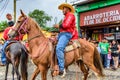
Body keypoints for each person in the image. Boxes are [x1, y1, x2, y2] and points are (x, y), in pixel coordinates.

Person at [53, 3, 78, 74]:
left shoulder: (70, 15)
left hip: (66, 34)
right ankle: (54, 63)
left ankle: (61, 68)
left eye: (63, 9)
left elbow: (66, 25)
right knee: (51, 44)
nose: (62, 10)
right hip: (61, 34)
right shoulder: (65, 17)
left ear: (67, 9)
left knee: (59, 48)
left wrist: (59, 25)